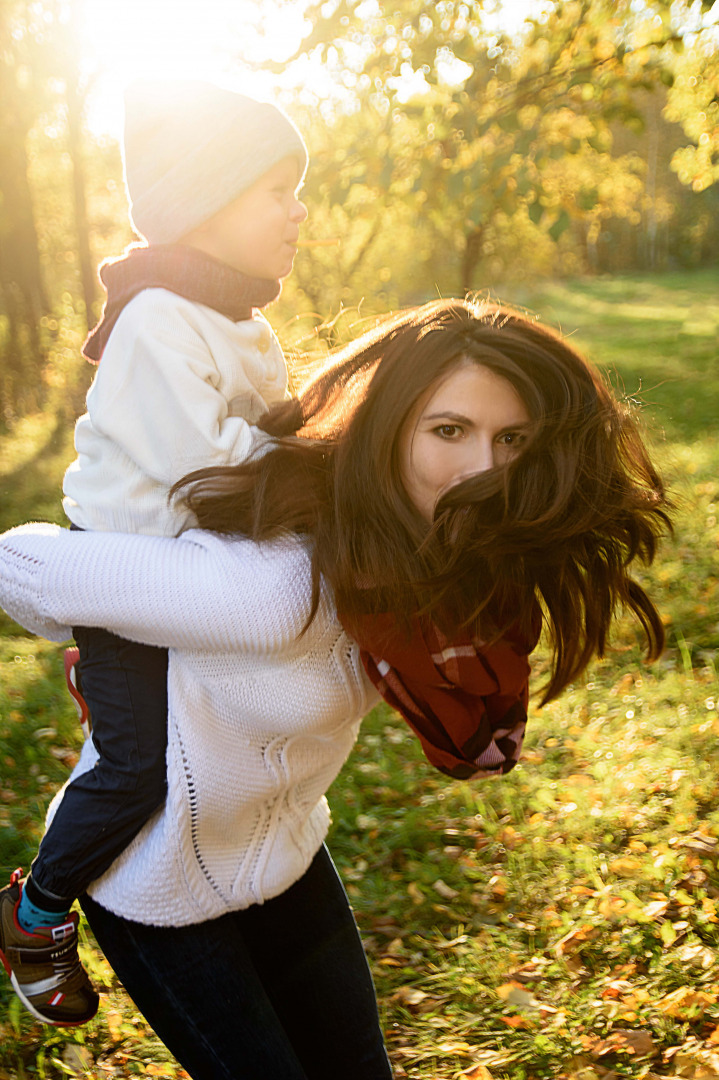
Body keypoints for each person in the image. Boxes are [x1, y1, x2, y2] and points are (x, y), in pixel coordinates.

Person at [0, 299, 670, 1078]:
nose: (484, 470)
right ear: (388, 429)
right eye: (448, 431)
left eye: (510, 438)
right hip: (162, 892)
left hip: (287, 860)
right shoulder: (271, 587)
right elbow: (18, 562)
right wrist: (122, 648)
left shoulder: (427, 560)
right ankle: (31, 915)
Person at [0, 78, 308, 1025]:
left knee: (205, 732)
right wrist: (315, 465)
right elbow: (208, 466)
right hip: (128, 571)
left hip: (191, 569)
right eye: (277, 191)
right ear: (206, 200)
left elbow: (270, 432)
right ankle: (37, 906)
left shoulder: (235, 316)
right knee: (135, 765)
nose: (300, 213)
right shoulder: (161, 321)